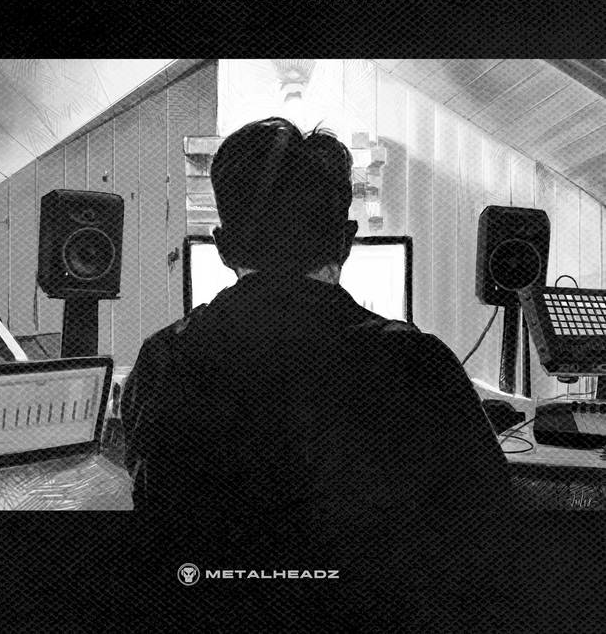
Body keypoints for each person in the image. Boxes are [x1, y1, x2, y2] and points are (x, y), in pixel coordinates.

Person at [121, 117, 515, 631]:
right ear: (346, 240)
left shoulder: (162, 361)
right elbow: (491, 538)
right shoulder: (418, 363)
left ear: (222, 246)